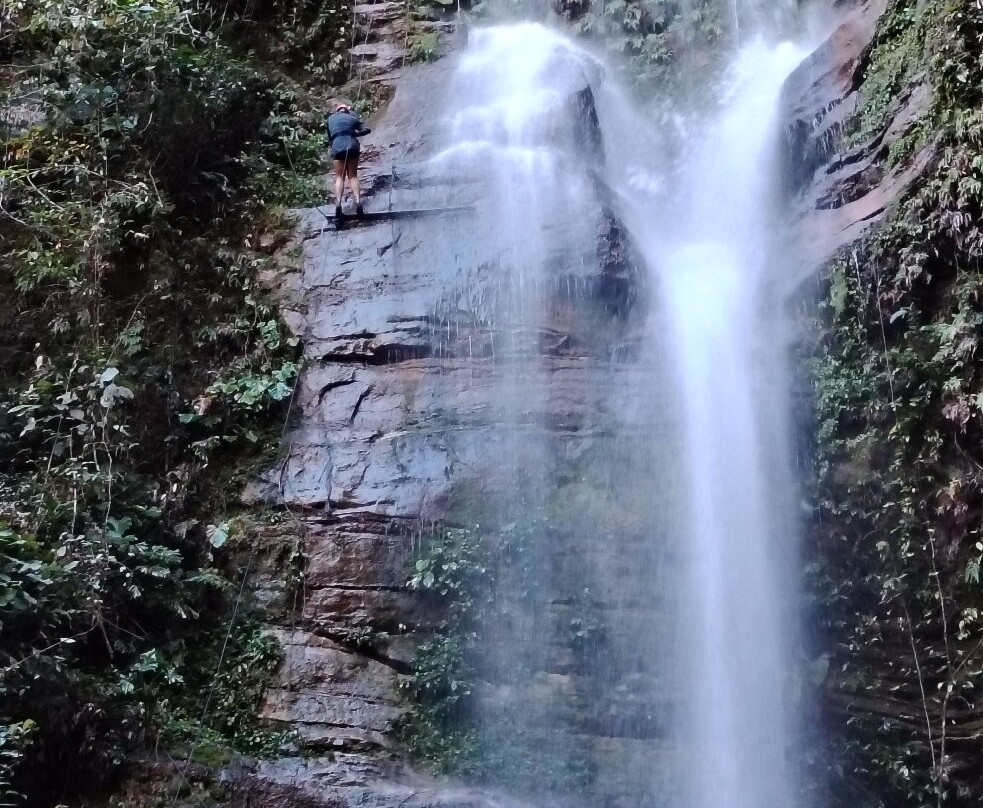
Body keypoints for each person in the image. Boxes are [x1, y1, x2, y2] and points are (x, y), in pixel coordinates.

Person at [326, 103, 371, 218]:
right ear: (347, 111)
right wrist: (355, 131)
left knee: (339, 177)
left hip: (337, 147)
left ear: (337, 111)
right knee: (353, 176)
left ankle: (338, 204)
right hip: (351, 146)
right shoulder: (352, 118)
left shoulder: (330, 119)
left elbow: (330, 137)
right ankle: (358, 202)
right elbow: (366, 129)